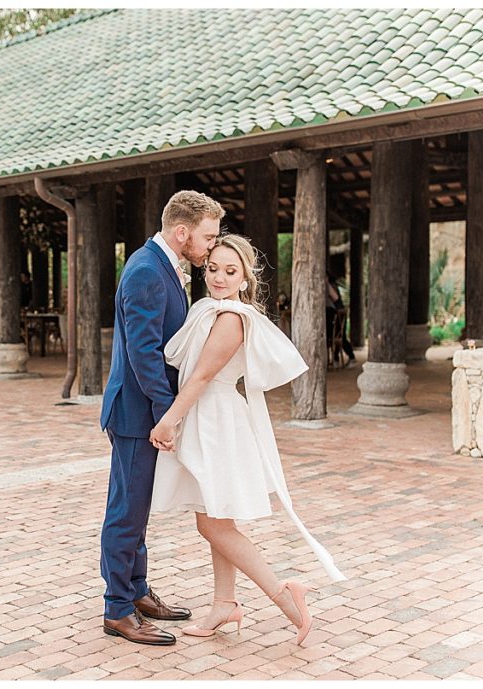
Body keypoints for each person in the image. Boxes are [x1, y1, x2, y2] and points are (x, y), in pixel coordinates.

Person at [149, 234, 347, 647]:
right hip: (207, 416)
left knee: (212, 524)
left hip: (216, 421)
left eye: (230, 271)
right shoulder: (209, 309)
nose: (219, 278)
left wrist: (168, 421)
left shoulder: (232, 318)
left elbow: (202, 377)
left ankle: (285, 596)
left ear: (245, 277)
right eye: (214, 268)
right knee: (216, 515)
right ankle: (224, 603)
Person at [98, 190, 223, 646]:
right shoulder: (148, 271)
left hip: (144, 412)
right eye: (208, 237)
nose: (211, 246)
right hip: (136, 414)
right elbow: (144, 354)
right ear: (182, 232)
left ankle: (137, 590)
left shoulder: (162, 265)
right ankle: (117, 608)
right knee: (125, 512)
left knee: (138, 508)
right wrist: (167, 414)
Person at [325, 273, 356, 365]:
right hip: (333, 314)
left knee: (338, 336)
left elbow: (335, 297)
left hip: (334, 314)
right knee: (336, 336)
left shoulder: (328, 285)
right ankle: (335, 359)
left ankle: (343, 358)